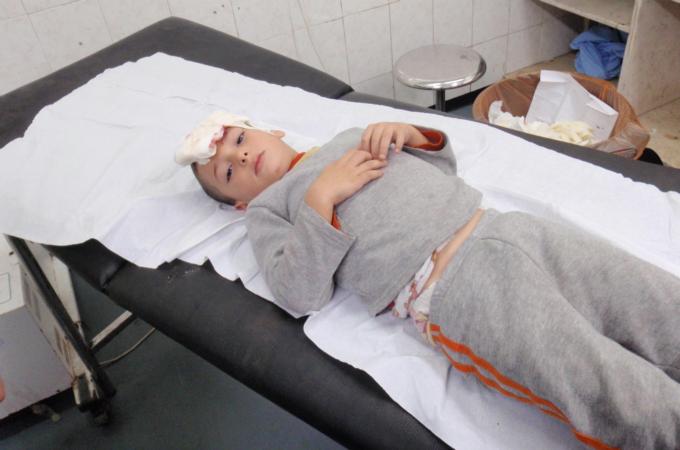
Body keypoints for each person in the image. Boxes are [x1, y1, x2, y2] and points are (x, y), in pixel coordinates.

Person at [177, 111, 680, 450]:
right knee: (597, 378)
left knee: (647, 295)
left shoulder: (347, 138)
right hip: (455, 288)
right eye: (227, 173)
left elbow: (444, 168)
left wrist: (412, 135)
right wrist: (319, 200)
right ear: (239, 204)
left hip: (505, 228)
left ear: (272, 132)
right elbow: (297, 292)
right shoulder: (268, 210)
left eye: (239, 141)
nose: (239, 158)